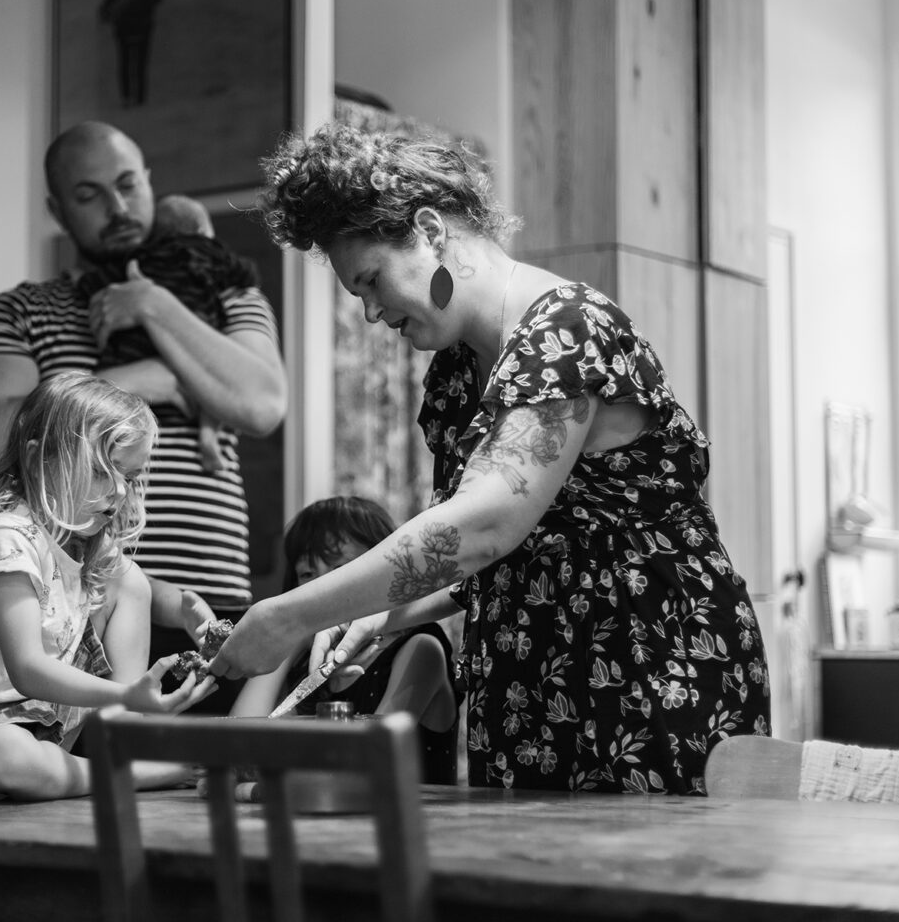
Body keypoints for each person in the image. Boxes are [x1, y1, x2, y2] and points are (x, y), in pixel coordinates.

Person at [209, 123, 771, 794]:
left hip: (650, 664)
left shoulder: (566, 326)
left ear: (429, 230)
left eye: (371, 281)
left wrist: (291, 613)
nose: (369, 312)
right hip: (530, 676)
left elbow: (485, 525)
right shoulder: (453, 372)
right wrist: (377, 616)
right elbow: (505, 559)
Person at [0, 121, 287, 711]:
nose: (117, 206)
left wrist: (154, 305)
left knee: (205, 786)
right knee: (88, 787)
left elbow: (262, 404)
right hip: (75, 601)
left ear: (149, 183)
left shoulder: (226, 292)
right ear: (58, 210)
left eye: (128, 184)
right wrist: (148, 379)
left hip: (207, 601)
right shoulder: (21, 311)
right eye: (89, 196)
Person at [0, 372, 215, 801]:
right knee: (11, 757)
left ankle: (125, 735)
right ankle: (142, 772)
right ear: (40, 459)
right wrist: (128, 694)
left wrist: (187, 608)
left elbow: (146, 588)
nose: (117, 491)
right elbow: (28, 668)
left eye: (129, 477)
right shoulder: (9, 537)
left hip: (50, 728)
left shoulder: (82, 543)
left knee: (126, 578)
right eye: (99, 471)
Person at [229, 495, 461, 785]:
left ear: (386, 568)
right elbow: (235, 749)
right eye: (307, 573)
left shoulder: (420, 648)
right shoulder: (309, 660)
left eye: (340, 569)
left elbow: (366, 764)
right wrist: (291, 638)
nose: (323, 587)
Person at [77, 194, 257, 473]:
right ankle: (208, 436)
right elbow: (245, 273)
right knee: (210, 394)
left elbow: (103, 279)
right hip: (195, 340)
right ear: (202, 230)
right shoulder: (214, 254)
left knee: (119, 403)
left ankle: (117, 451)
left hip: (136, 342)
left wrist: (87, 286)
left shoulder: (141, 257)